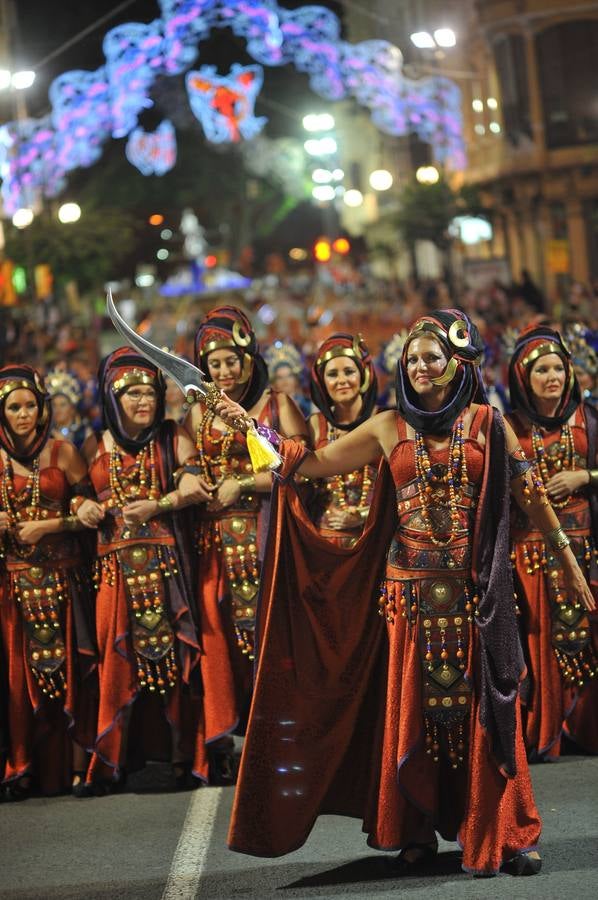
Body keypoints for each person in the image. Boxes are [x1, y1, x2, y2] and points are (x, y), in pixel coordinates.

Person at [216, 310, 594, 876]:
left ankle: (505, 831)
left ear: (456, 364)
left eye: (430, 358)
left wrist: (567, 559)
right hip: (407, 598)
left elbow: (531, 493)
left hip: (474, 596)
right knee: (414, 714)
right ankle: (414, 830)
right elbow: (311, 465)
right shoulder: (387, 426)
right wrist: (251, 428)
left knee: (486, 713)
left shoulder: (489, 424)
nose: (418, 367)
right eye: (411, 360)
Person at [77, 348, 213, 789]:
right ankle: (113, 759)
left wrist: (161, 503)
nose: (143, 401)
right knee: (116, 665)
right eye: (132, 393)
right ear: (114, 399)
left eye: (150, 392)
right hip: (113, 573)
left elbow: (197, 484)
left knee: (175, 663)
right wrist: (81, 508)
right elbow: (75, 497)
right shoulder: (95, 445)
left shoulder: (172, 437)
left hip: (166, 570)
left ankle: (182, 757)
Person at [184, 306, 308, 783]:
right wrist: (189, 477)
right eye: (214, 365)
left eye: (233, 361)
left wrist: (240, 482)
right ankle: (232, 742)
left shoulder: (277, 404)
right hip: (215, 544)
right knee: (223, 642)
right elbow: (185, 460)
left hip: (269, 533)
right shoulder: (197, 410)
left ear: (250, 357)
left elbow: (298, 463)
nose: (225, 372)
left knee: (275, 633)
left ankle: (285, 735)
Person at [0, 365, 97, 799]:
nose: (23, 414)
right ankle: (24, 768)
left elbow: (90, 514)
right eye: (13, 407)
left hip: (64, 581)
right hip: (14, 588)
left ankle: (79, 768)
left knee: (73, 672)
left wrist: (51, 524)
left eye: (30, 406)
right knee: (19, 681)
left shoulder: (64, 451)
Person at [507, 325, 598, 759]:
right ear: (525, 378)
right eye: (542, 369)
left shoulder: (590, 419)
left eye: (558, 367)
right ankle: (544, 728)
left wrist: (587, 476)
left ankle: (587, 726)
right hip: (528, 553)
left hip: (585, 548)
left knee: (588, 632)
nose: (553, 376)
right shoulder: (508, 426)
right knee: (537, 635)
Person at [307, 333, 378, 546]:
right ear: (322, 382)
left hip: (374, 541)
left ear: (363, 375)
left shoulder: (384, 420)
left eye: (349, 371)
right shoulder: (313, 425)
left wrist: (363, 515)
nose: (341, 381)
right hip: (325, 545)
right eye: (332, 374)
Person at [46, 369, 94, 450]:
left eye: (63, 405)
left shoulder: (85, 432)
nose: (58, 410)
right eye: (54, 405)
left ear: (72, 408)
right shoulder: (47, 434)